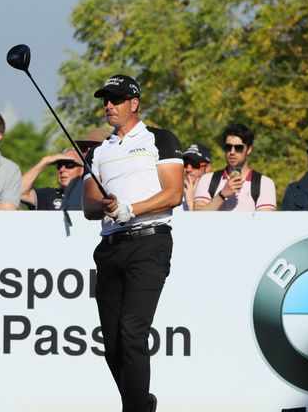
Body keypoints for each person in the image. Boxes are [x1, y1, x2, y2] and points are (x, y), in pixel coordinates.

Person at [83, 74, 183, 412]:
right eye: (105, 100)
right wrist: (107, 205)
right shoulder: (100, 151)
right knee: (112, 342)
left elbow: (173, 194)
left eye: (116, 99)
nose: (108, 105)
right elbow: (88, 207)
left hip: (149, 244)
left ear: (134, 103)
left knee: (132, 332)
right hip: (110, 248)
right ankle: (141, 403)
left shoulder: (160, 139)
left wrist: (130, 209)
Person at [194, 123, 277, 211]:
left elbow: (265, 223)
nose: (232, 152)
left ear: (249, 150)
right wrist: (221, 195)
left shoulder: (264, 184)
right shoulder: (208, 180)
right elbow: (198, 219)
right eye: (228, 147)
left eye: (238, 148)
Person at [181, 142, 212, 211]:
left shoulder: (214, 195)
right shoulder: (172, 193)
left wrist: (191, 202)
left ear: (208, 167)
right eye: (185, 163)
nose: (188, 169)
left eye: (195, 164)